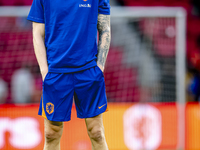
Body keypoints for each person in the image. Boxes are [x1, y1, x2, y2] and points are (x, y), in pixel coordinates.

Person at [27, 0, 111, 149]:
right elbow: (37, 33)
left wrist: (100, 67)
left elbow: (105, 29)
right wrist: (45, 72)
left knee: (97, 132)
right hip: (56, 73)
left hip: (88, 72)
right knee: (51, 133)